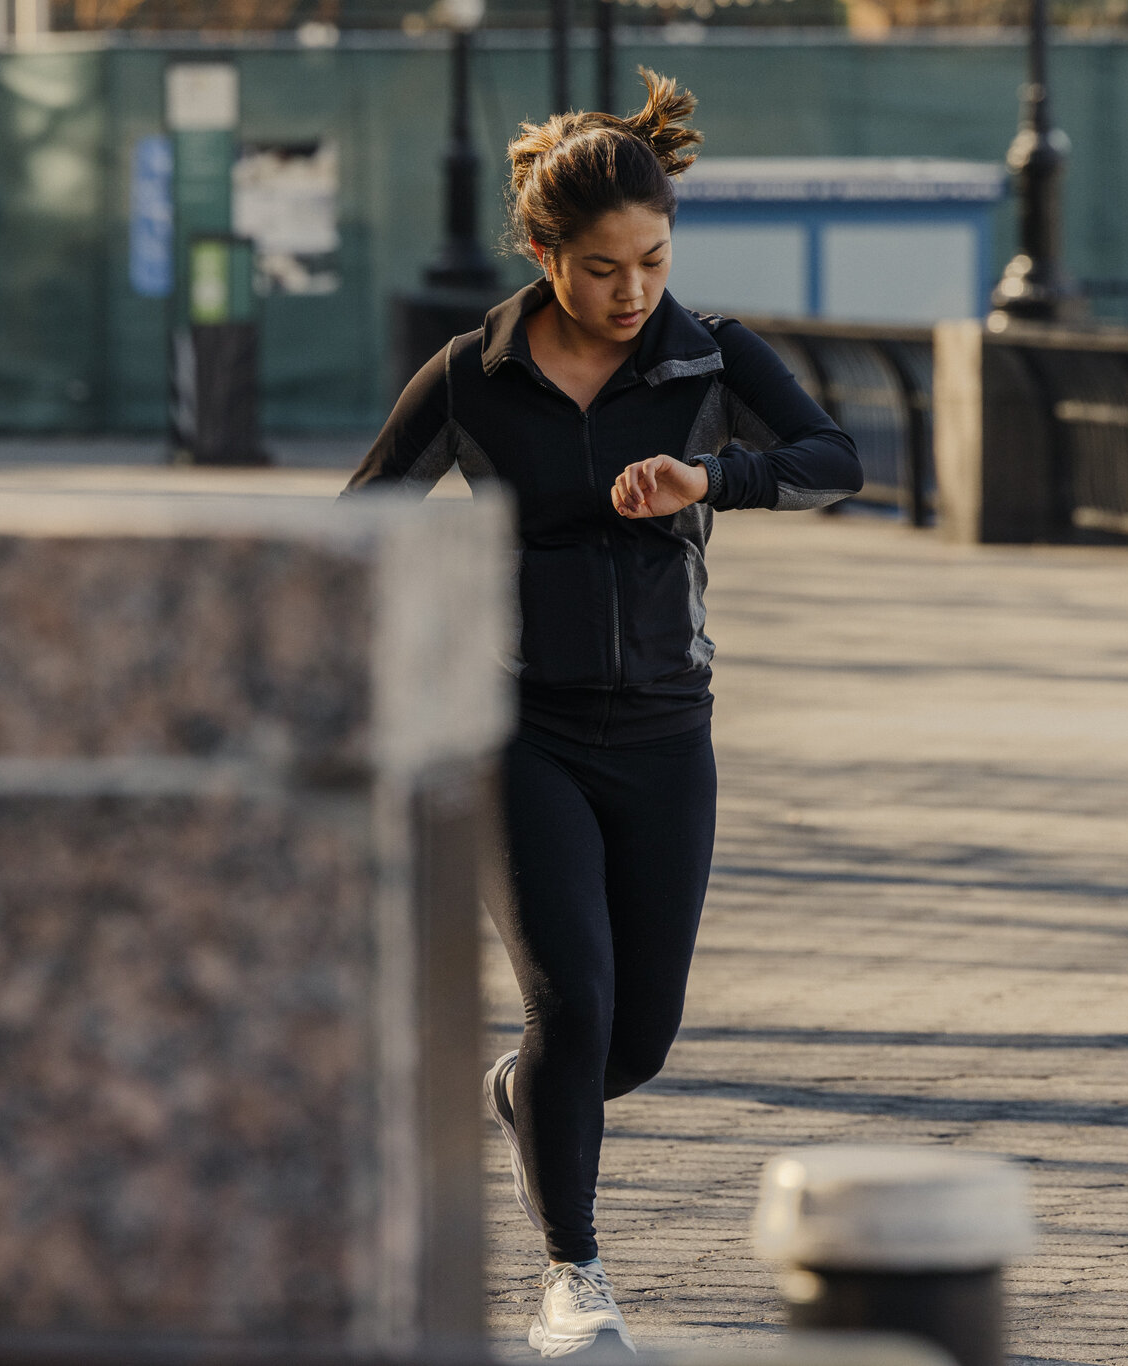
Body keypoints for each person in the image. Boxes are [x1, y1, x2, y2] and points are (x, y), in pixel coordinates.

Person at [344, 69, 862, 1357]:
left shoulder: (707, 354)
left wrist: (712, 476)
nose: (633, 292)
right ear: (542, 254)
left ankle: (521, 1097)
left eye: (652, 260)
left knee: (632, 1041)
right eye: (603, 268)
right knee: (572, 1001)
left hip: (666, 731)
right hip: (516, 728)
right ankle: (575, 1275)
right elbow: (356, 528)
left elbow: (836, 464)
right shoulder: (474, 376)